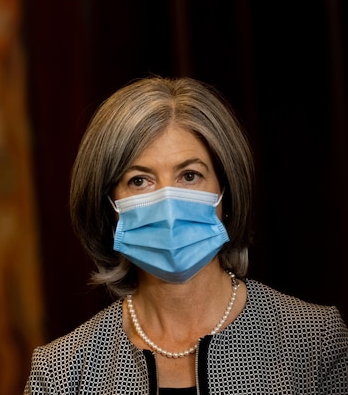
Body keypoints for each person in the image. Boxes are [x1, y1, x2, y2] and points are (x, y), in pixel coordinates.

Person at [24, 76, 348, 394]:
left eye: (189, 176)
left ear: (226, 193)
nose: (168, 203)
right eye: (140, 180)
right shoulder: (61, 373)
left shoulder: (315, 340)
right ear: (110, 205)